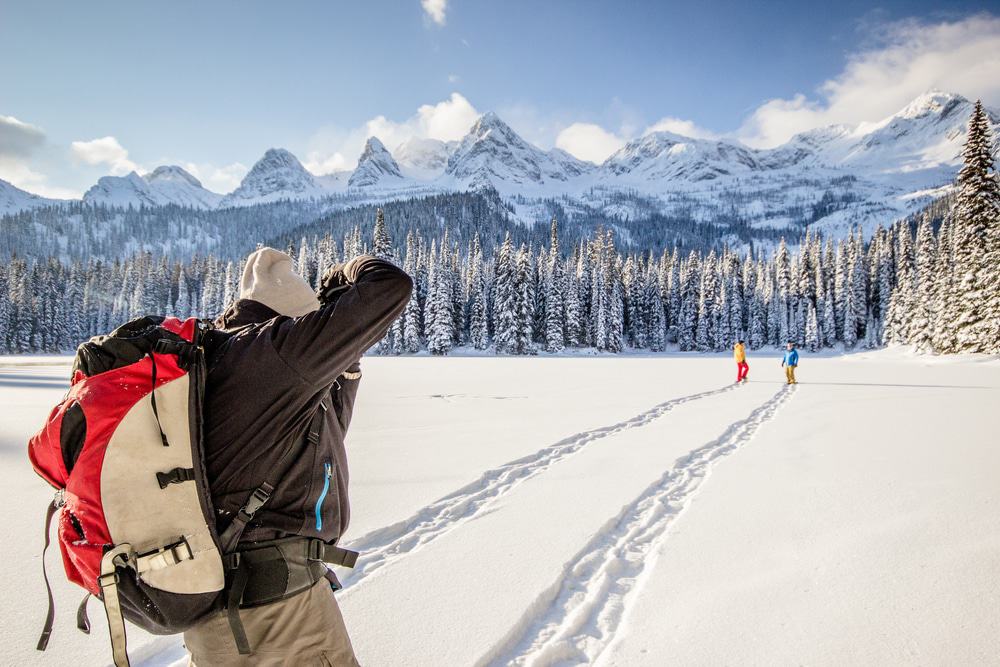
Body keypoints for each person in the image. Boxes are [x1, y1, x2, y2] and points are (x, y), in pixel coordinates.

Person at [183, 247, 412, 666]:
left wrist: (346, 352)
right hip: (281, 618)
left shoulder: (223, 358)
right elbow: (391, 287)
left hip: (214, 613)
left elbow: (322, 432)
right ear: (291, 319)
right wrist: (350, 271)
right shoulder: (277, 350)